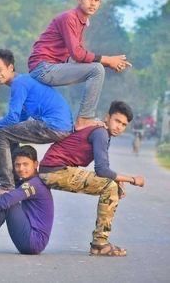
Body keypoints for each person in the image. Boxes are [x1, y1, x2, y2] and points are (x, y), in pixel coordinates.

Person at [38, 101, 145, 257]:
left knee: (112, 184)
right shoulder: (101, 133)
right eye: (117, 121)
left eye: (123, 125)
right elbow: (102, 170)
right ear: (107, 117)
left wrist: (117, 179)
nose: (119, 127)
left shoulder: (102, 132)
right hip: (55, 171)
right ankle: (100, 244)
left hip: (55, 169)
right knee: (110, 186)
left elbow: (104, 170)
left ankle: (99, 244)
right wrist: (133, 179)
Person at [28, 0, 132, 131]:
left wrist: (110, 63)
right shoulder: (69, 18)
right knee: (97, 69)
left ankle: (82, 118)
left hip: (54, 66)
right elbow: (78, 54)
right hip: (43, 68)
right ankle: (84, 119)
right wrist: (108, 60)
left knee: (97, 67)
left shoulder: (83, 22)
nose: (93, 4)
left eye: (97, 0)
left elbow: (78, 56)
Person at [0, 49, 73, 193]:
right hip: (60, 127)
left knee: (1, 134)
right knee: (9, 133)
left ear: (10, 67)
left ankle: (6, 185)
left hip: (54, 125)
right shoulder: (24, 82)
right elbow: (20, 119)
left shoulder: (19, 83)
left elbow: (12, 118)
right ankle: (16, 181)